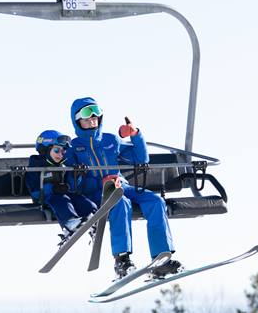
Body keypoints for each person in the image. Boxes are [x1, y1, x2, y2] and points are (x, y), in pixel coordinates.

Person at [65, 97, 183, 279]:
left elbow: (141, 159)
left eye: (96, 113)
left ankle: (161, 260)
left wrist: (135, 135)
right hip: (96, 193)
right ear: (77, 120)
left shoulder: (110, 140)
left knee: (155, 201)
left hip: (120, 184)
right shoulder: (74, 147)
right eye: (87, 115)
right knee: (120, 202)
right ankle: (122, 260)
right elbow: (71, 181)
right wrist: (80, 175)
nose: (92, 118)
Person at [26, 130, 98, 239]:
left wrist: (77, 175)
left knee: (82, 200)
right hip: (46, 199)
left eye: (63, 151)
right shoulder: (35, 167)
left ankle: (93, 218)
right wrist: (52, 189)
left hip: (64, 196)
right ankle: (69, 223)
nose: (60, 154)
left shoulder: (63, 166)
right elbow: (35, 192)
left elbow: (72, 187)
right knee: (61, 199)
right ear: (45, 149)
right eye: (56, 150)